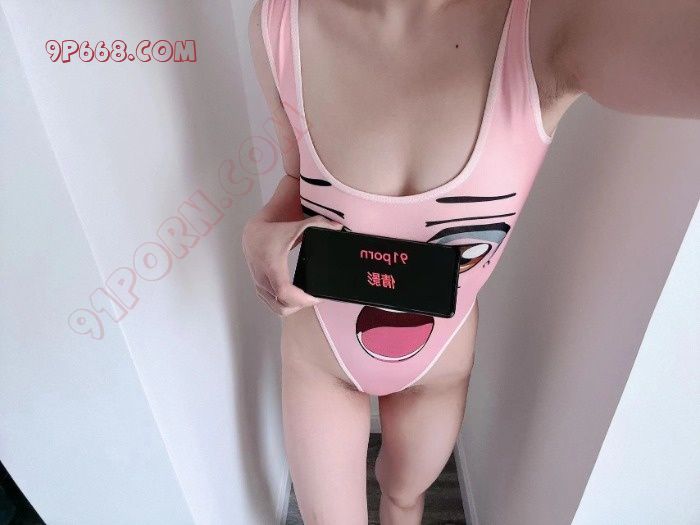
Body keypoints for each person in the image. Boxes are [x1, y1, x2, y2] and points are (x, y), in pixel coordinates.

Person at [243, 0, 699, 523]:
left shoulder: (549, 23)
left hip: (438, 364)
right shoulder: (279, 25)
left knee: (404, 497)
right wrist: (258, 232)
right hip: (320, 358)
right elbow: (296, 178)